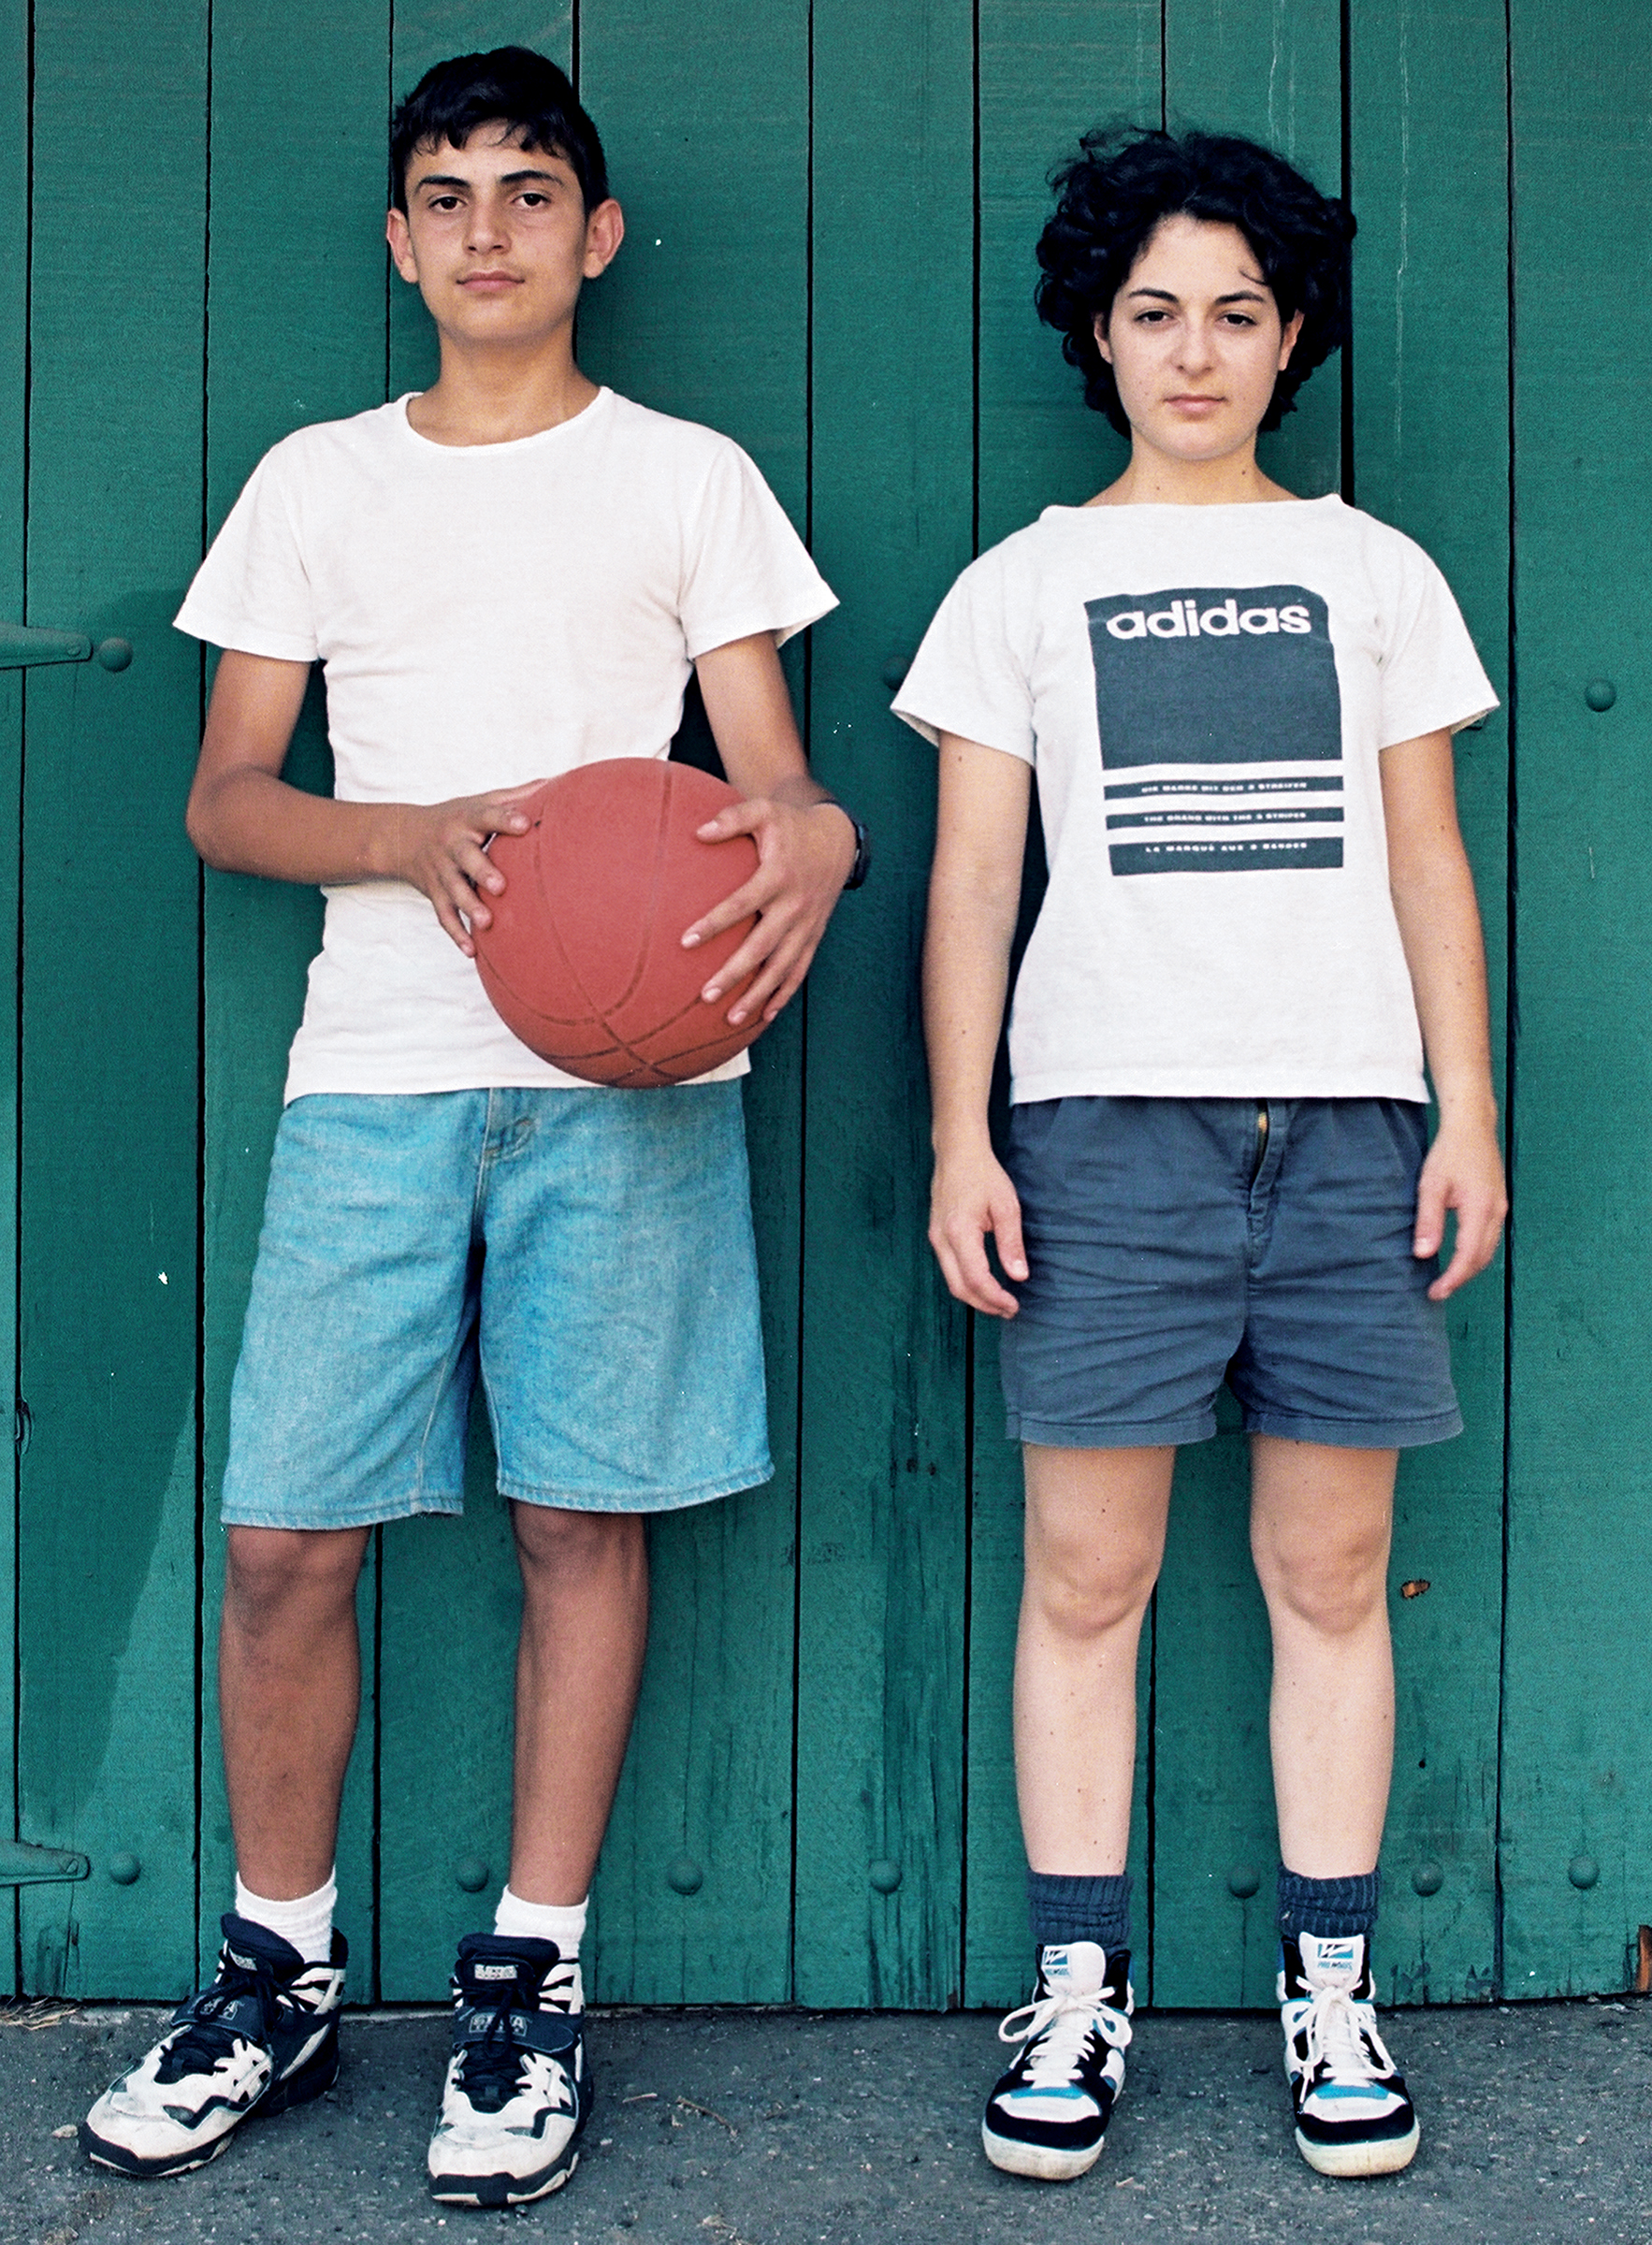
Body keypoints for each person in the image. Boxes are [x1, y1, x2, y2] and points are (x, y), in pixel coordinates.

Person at [81, 46, 862, 2211]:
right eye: (448, 193)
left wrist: (817, 834)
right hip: (380, 1070)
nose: (489, 227)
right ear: (400, 242)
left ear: (594, 235)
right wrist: (406, 834)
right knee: (283, 1540)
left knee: (576, 1525)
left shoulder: (685, 479)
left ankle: (531, 1977)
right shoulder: (319, 484)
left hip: (627, 1081)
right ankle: (278, 1968)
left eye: (530, 190)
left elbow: (773, 785)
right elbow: (227, 798)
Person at [899, 125, 1505, 2185]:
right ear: (1096, 330)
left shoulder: (1373, 571)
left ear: (1289, 335)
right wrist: (961, 1137)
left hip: (1343, 1130)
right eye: (1152, 311)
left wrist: (1463, 1112)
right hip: (1099, 1135)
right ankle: (1077, 1992)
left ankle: (1331, 1987)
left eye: (1235, 314)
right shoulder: (1019, 587)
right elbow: (970, 887)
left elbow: (1426, 860)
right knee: (1089, 1579)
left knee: (1328, 1574)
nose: (1192, 350)